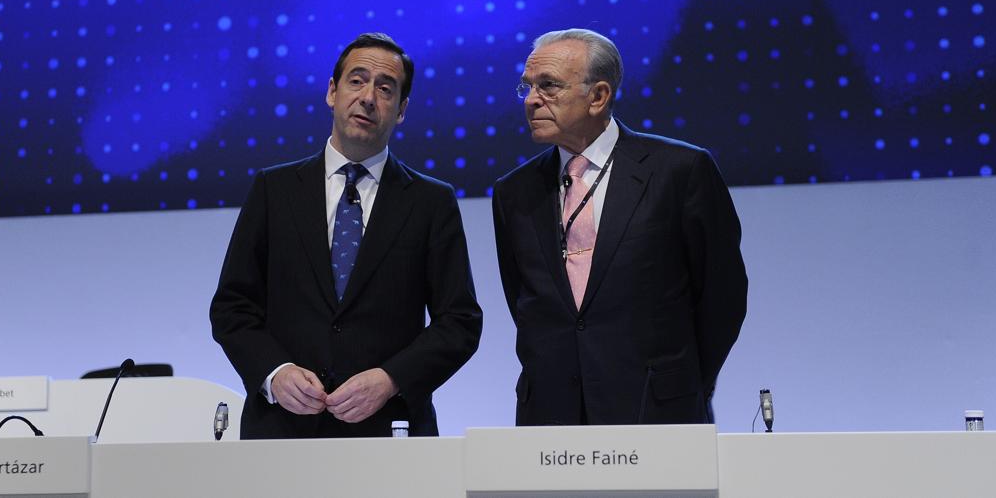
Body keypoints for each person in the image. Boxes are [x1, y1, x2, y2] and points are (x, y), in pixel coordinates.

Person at [211, 33, 483, 439]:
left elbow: (460, 322)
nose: (369, 97)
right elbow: (233, 306)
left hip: (390, 431)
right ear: (332, 92)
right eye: (356, 81)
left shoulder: (431, 201)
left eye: (385, 88)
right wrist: (275, 372)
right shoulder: (274, 189)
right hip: (282, 431)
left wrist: (392, 379)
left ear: (402, 110)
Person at [492, 28, 747, 425]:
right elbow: (526, 305)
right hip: (551, 417)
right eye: (526, 87)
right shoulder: (514, 192)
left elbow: (722, 298)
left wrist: (685, 381)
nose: (531, 101)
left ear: (598, 96)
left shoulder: (680, 171)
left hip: (657, 411)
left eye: (548, 86)